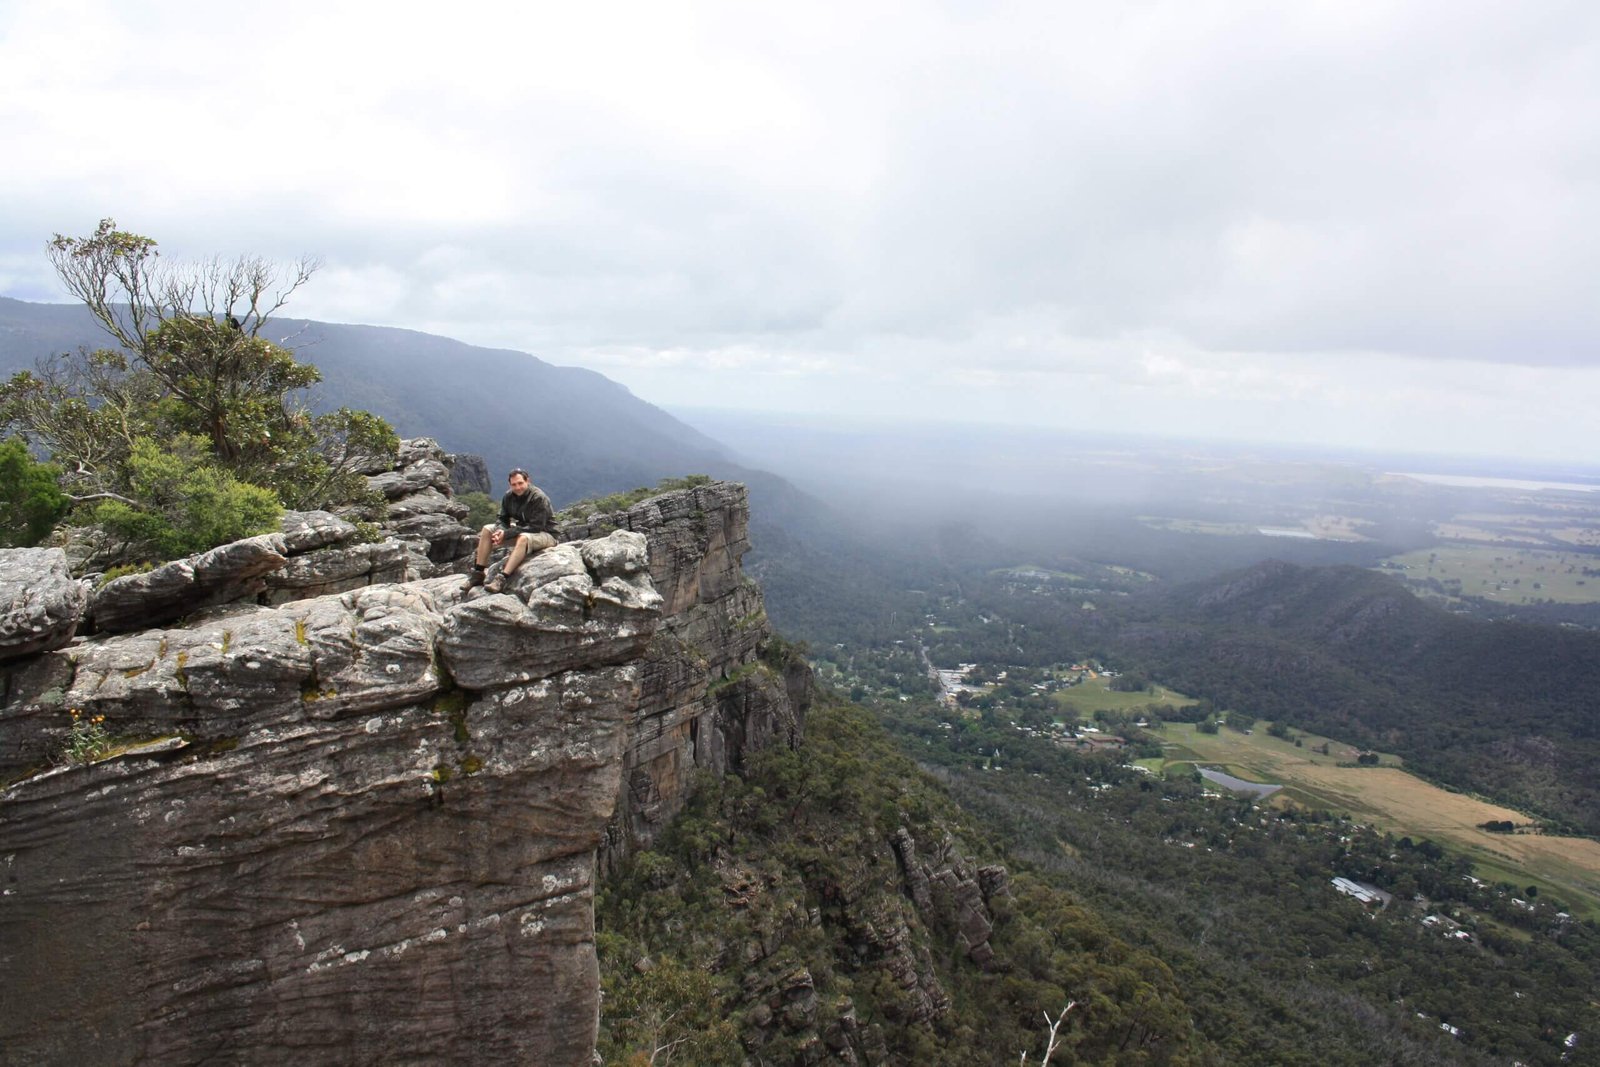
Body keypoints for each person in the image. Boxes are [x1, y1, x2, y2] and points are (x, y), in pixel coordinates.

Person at [469, 468, 558, 592]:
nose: (517, 487)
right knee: (487, 529)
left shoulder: (538, 498)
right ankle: (478, 573)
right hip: (523, 530)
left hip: (545, 534)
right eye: (514, 484)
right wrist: (500, 531)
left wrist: (507, 534)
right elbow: (502, 517)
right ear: (510, 484)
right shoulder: (509, 496)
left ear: (528, 481)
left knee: (523, 538)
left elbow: (536, 526)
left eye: (520, 483)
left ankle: (502, 579)